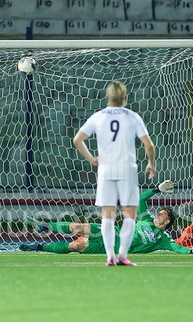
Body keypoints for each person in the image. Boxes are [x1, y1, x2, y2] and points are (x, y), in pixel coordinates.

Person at [72, 81, 155, 266]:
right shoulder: (133, 117)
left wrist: (91, 159)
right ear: (125, 98)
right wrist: (151, 163)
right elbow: (148, 144)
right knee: (129, 215)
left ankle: (110, 256)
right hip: (127, 170)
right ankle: (123, 255)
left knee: (107, 215)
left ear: (107, 97)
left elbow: (77, 140)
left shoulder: (98, 116)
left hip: (106, 170)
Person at [20, 180, 193, 255]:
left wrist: (191, 251)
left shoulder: (162, 239)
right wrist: (157, 190)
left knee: (75, 246)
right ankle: (46, 225)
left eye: (162, 214)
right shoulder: (145, 219)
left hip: (111, 247)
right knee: (78, 227)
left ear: (166, 222)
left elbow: (177, 248)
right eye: (159, 212)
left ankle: (37, 247)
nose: (158, 213)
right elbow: (141, 198)